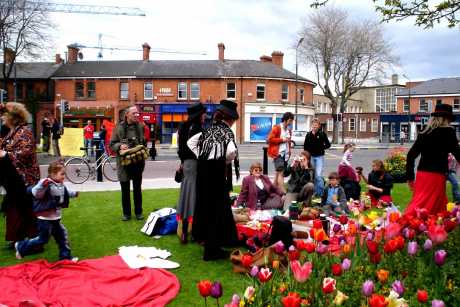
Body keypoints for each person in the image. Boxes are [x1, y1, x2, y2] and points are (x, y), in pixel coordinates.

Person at [187, 99, 239, 261]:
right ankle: (212, 251)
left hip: (203, 172)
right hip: (215, 174)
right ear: (230, 119)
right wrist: (222, 160)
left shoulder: (209, 129)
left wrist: (202, 156)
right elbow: (231, 152)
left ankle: (211, 243)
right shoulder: (227, 132)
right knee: (215, 211)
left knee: (205, 208)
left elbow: (191, 142)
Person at [15, 161, 78, 261]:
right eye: (62, 174)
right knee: (43, 239)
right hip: (44, 219)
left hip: (55, 217)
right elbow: (35, 193)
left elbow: (65, 192)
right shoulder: (45, 183)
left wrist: (74, 193)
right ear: (53, 174)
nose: (63, 176)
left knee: (62, 236)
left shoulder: (60, 184)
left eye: (64, 174)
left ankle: (65, 257)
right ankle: (21, 246)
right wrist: (42, 186)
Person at [405, 103, 460, 217]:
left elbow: (410, 155)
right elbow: (457, 153)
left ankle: (417, 225)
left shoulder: (424, 132)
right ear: (446, 119)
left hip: (422, 175)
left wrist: (410, 177)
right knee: (432, 206)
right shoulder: (448, 132)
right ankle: (411, 224)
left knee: (421, 202)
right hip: (437, 175)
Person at [0, 102, 40, 248]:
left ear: (13, 117)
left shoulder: (24, 132)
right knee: (14, 210)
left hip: (25, 179)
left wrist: (5, 154)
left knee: (25, 210)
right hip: (13, 179)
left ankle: (33, 241)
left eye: (5, 115)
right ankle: (17, 238)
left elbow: (25, 153)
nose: (3, 118)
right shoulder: (12, 131)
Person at [176, 103, 207, 244]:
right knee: (196, 199)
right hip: (196, 165)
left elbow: (180, 148)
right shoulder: (198, 129)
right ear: (199, 115)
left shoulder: (183, 127)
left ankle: (184, 233)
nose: (205, 116)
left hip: (187, 165)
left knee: (186, 197)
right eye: (203, 114)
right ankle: (196, 234)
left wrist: (182, 162)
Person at [110, 106, 146, 221]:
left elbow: (143, 141)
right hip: (123, 164)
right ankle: (127, 214)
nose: (137, 115)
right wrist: (120, 146)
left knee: (137, 189)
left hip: (137, 162)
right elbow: (111, 144)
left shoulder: (140, 126)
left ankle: (139, 212)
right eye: (134, 113)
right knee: (125, 190)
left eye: (137, 113)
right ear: (127, 114)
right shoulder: (118, 127)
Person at [267, 112, 294, 193]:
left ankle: (271, 191)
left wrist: (289, 151)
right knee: (281, 173)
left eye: (292, 120)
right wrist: (282, 140)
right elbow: (270, 139)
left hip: (285, 155)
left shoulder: (289, 130)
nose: (291, 122)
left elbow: (288, 142)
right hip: (277, 154)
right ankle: (284, 193)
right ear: (285, 120)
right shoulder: (277, 128)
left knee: (277, 174)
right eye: (290, 120)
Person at [303, 118, 331, 197]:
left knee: (318, 175)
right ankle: (315, 192)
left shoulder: (322, 134)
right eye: (313, 125)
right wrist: (306, 156)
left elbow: (328, 144)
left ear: (319, 126)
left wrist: (322, 148)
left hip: (319, 157)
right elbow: (305, 147)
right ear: (311, 126)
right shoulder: (308, 135)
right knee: (312, 175)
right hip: (311, 157)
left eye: (316, 125)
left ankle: (321, 194)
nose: (314, 127)